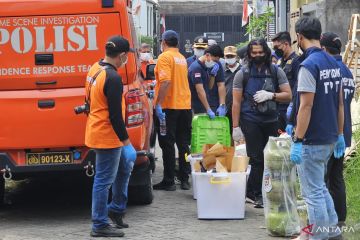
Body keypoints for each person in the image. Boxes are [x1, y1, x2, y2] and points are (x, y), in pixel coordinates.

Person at [290, 17, 344, 240]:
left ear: (300, 37)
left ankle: (319, 236)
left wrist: (298, 140)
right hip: (330, 137)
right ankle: (332, 232)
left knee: (312, 193)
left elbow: (306, 105)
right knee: (321, 188)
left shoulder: (308, 66)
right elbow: (340, 103)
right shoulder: (333, 62)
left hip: (312, 140)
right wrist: (340, 134)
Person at [85, 36, 137, 237]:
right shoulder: (113, 78)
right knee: (103, 180)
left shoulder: (95, 68)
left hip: (99, 129)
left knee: (124, 168)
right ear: (122, 56)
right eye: (127, 57)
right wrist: (127, 143)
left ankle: (116, 209)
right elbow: (115, 115)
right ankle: (99, 224)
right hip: (107, 135)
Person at [232, 38, 292, 208]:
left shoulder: (275, 71)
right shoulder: (242, 73)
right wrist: (235, 127)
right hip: (250, 120)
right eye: (254, 53)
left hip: (272, 120)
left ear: (266, 52)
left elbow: (288, 95)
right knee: (256, 158)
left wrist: (271, 95)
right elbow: (236, 102)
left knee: (272, 158)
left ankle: (267, 191)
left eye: (260, 52)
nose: (257, 55)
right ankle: (257, 194)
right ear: (249, 54)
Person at [321, 32, 355, 226]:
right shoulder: (347, 72)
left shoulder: (330, 70)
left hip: (330, 133)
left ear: (324, 49)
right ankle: (340, 219)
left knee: (323, 180)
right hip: (344, 133)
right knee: (336, 178)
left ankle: (325, 221)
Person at [153, 30, 192, 191]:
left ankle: (169, 180)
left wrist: (159, 104)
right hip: (185, 106)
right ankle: (184, 178)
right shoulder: (181, 58)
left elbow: (166, 81)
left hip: (169, 107)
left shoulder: (164, 57)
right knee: (183, 144)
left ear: (164, 42)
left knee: (167, 144)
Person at [272, 31, 301, 131]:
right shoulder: (280, 62)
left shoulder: (297, 61)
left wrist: (293, 106)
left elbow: (298, 86)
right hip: (279, 108)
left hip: (290, 107)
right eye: (274, 48)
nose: (276, 50)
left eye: (277, 47)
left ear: (286, 44)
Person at [188, 44, 226, 118]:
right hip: (196, 107)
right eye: (215, 60)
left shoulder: (205, 66)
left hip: (205, 105)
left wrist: (212, 75)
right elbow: (200, 91)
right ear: (207, 55)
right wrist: (208, 109)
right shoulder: (196, 68)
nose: (215, 63)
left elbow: (209, 87)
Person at [223, 46, 242, 131]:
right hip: (225, 107)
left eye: (232, 56)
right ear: (224, 57)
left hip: (240, 108)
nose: (230, 58)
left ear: (236, 57)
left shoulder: (243, 70)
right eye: (227, 56)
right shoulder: (221, 71)